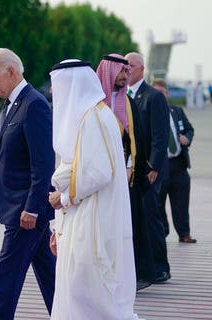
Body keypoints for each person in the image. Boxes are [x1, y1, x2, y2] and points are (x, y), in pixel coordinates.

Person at [48, 59, 139, 319]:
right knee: (77, 285)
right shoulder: (94, 115)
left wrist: (63, 197)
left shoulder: (92, 119)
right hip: (83, 214)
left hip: (93, 217)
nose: (54, 92)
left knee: (85, 287)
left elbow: (97, 173)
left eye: (57, 85)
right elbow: (78, 162)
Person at [0, 48, 56, 319]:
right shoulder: (11, 105)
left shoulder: (35, 105)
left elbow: (42, 165)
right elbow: (6, 162)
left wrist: (32, 208)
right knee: (50, 275)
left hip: (25, 212)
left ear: (11, 71)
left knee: (6, 278)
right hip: (20, 208)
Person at [125, 52, 171, 285]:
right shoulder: (123, 97)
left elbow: (160, 136)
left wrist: (153, 167)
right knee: (137, 218)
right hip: (132, 172)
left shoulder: (153, 97)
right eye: (125, 66)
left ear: (142, 69)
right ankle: (143, 266)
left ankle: (161, 266)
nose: (127, 70)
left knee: (152, 216)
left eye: (131, 66)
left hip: (149, 171)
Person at [152, 78, 197, 243]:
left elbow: (189, 128)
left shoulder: (176, 111)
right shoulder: (150, 113)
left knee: (181, 202)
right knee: (158, 202)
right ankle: (162, 232)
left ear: (167, 93)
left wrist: (187, 138)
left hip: (179, 163)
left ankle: (184, 233)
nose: (160, 97)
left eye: (162, 93)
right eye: (156, 93)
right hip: (160, 165)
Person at [96, 54, 139, 183]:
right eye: (120, 71)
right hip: (96, 170)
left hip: (122, 170)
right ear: (108, 71)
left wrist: (129, 167)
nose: (125, 76)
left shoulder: (130, 104)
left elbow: (134, 139)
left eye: (126, 71)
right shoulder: (94, 102)